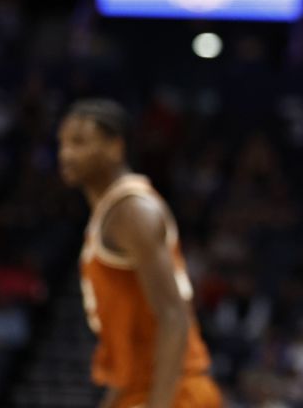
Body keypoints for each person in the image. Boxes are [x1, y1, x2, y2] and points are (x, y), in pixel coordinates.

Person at [57, 99, 221, 408]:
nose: (66, 153)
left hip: (176, 392)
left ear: (115, 148)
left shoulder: (132, 211)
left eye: (79, 142)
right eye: (63, 143)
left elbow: (174, 316)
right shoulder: (111, 213)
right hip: (141, 389)